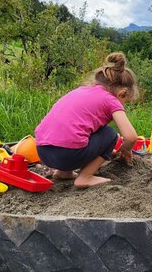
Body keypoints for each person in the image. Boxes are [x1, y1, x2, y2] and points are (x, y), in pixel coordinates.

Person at [35, 52, 138, 188]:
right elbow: (131, 137)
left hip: (42, 151)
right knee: (110, 134)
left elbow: (75, 128)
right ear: (122, 93)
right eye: (125, 101)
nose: (123, 105)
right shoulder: (111, 100)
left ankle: (63, 173)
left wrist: (106, 152)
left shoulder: (82, 90)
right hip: (67, 155)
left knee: (82, 131)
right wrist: (126, 150)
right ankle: (85, 177)